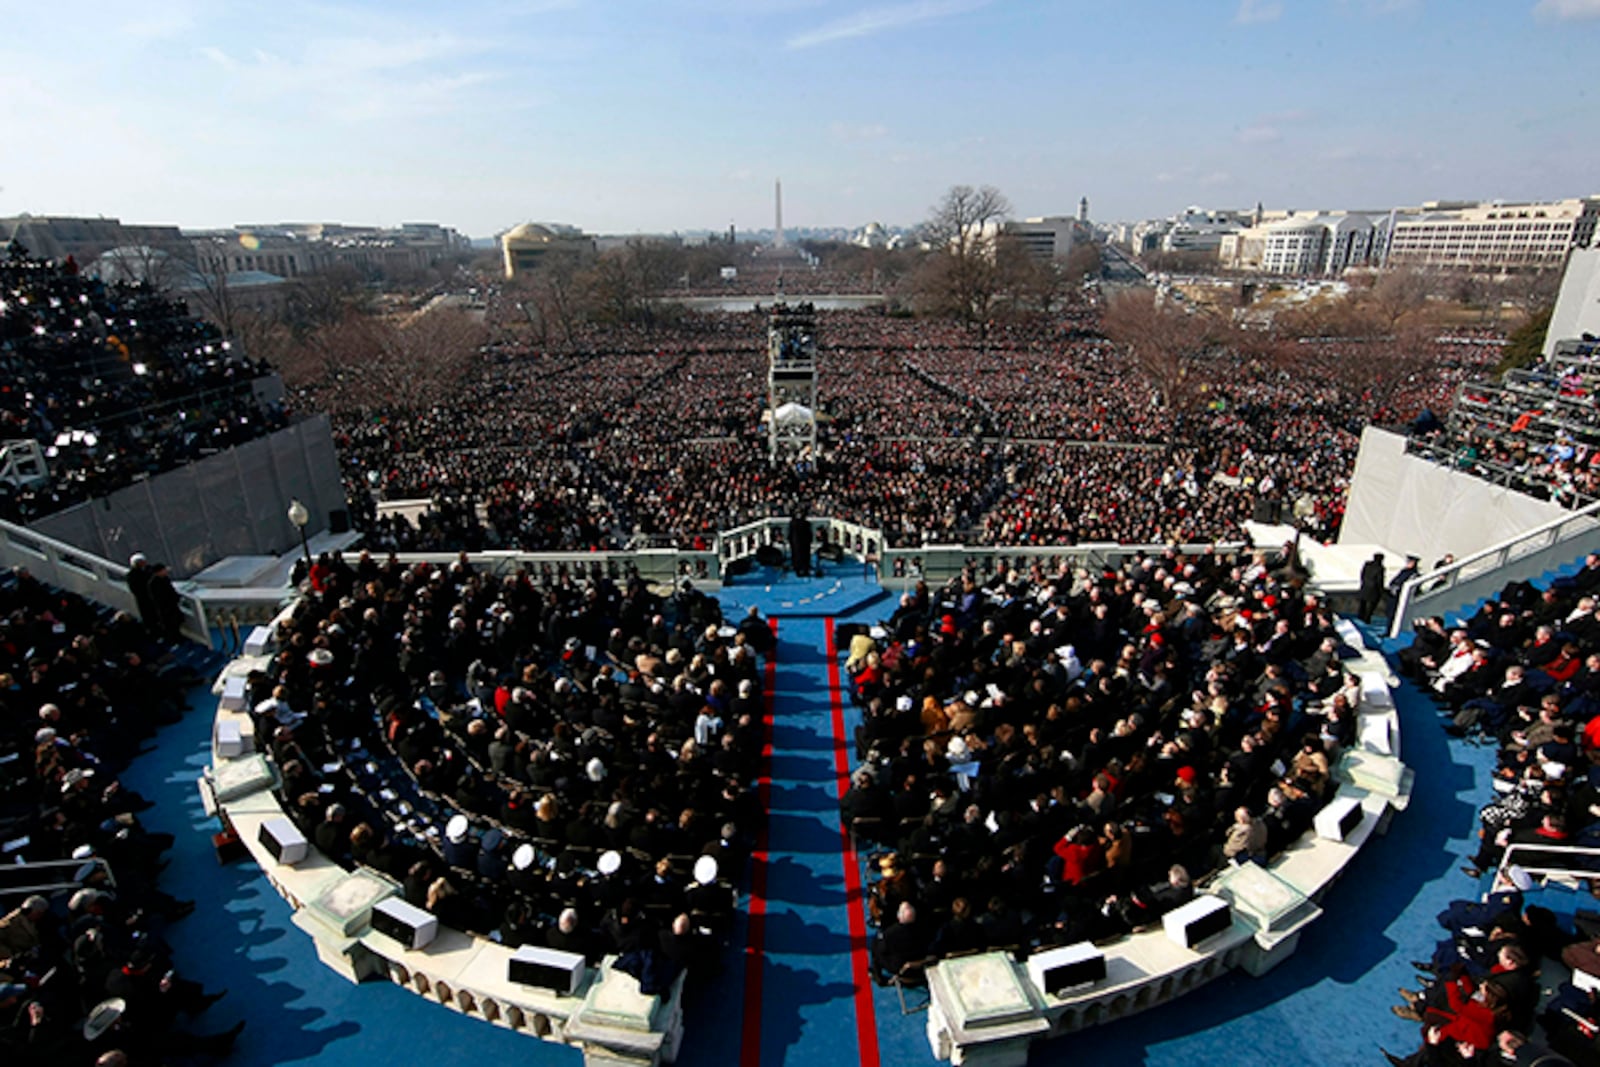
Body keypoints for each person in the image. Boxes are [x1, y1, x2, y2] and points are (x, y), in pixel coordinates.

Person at [1359, 552, 1386, 623]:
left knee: (1363, 603)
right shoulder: (1380, 568)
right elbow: (1379, 580)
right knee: (1372, 605)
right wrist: (1381, 591)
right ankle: (1367, 618)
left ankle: (1360, 615)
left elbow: (1362, 574)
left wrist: (1363, 582)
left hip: (1365, 585)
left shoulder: (1367, 564)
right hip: (1374, 589)